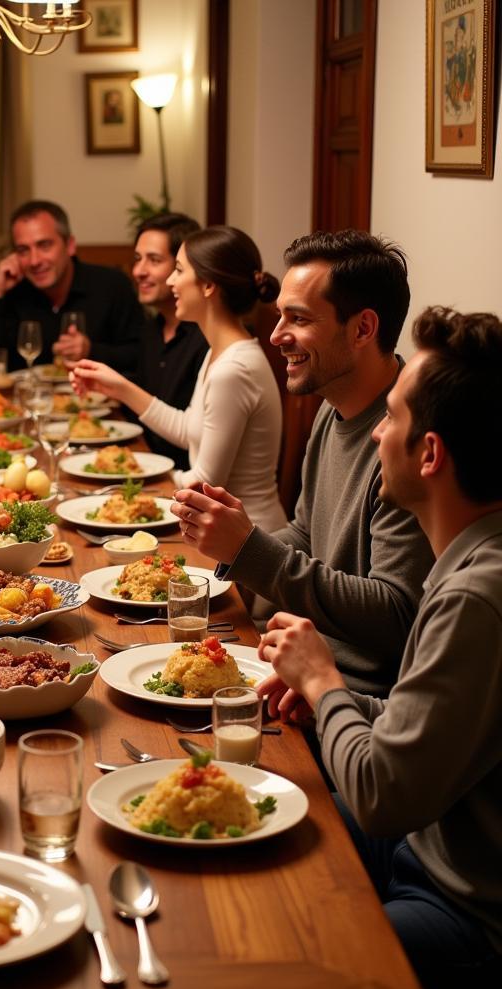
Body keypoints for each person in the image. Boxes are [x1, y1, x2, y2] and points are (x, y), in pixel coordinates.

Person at [256, 306, 502, 989]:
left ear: (429, 455)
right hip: (422, 846)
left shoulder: (477, 594)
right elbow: (435, 731)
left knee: (280, 950)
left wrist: (324, 682)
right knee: (242, 836)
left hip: (464, 910)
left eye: (390, 419)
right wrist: (332, 700)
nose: (377, 435)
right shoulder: (468, 559)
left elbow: (381, 795)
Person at [171, 230, 435, 698]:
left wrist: (249, 549)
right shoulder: (334, 409)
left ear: (362, 329)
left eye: (298, 319)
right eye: (278, 317)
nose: (275, 336)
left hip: (351, 697)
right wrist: (222, 561)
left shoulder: (406, 441)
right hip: (294, 666)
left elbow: (396, 613)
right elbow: (307, 535)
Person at [70, 226, 287, 533]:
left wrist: (134, 476)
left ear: (209, 285)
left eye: (180, 270)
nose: (171, 280)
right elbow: (190, 429)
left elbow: (205, 483)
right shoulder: (220, 353)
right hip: (219, 533)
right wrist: (120, 388)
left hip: (248, 545)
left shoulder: (233, 368)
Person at [0, 199, 143, 374]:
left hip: (101, 398)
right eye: (23, 250)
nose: (34, 261)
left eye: (44, 245)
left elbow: (141, 354)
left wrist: (91, 351)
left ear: (70, 246)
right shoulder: (14, 292)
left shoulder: (111, 285)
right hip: (30, 400)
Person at [132, 212, 209, 470]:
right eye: (137, 259)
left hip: (183, 484)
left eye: (154, 260)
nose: (138, 271)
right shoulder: (151, 330)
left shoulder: (206, 338)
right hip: (146, 464)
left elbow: (196, 438)